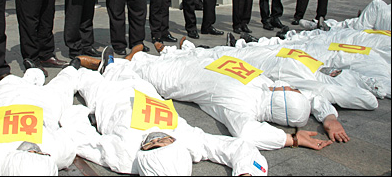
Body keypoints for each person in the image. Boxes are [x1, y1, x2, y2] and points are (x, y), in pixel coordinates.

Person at [113, 43, 346, 151]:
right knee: (155, 61)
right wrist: (329, 116)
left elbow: (247, 133)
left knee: (136, 69)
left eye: (292, 91)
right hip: (199, 61)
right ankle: (141, 54)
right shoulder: (267, 87)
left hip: (177, 76)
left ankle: (119, 61)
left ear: (283, 99)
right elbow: (309, 95)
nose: (291, 88)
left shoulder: (242, 105)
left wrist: (293, 139)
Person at [60, 61, 268, 176]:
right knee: (126, 72)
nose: (156, 138)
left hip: (109, 98)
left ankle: (83, 68)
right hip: (144, 92)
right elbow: (238, 147)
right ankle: (111, 65)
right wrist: (247, 173)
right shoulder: (189, 143)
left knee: (86, 80)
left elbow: (84, 140)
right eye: (165, 141)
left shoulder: (125, 158)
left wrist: (80, 114)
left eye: (153, 146)